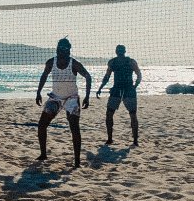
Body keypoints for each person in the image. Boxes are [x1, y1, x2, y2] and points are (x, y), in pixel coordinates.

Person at [34, 37, 91, 166]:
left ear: (69, 50)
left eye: (66, 49)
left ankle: (77, 161)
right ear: (57, 49)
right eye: (61, 48)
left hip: (72, 98)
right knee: (42, 125)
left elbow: (88, 76)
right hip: (56, 98)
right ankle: (43, 154)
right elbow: (44, 76)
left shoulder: (74, 63)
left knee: (74, 128)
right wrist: (38, 92)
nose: (64, 51)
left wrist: (87, 96)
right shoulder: (50, 62)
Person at [99, 42, 142, 147]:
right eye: (119, 51)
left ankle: (133, 140)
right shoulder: (113, 62)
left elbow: (139, 75)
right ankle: (112, 139)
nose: (120, 52)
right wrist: (100, 87)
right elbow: (107, 76)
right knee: (112, 113)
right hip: (118, 89)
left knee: (130, 114)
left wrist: (134, 86)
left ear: (121, 52)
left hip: (127, 90)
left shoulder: (129, 62)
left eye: (120, 51)